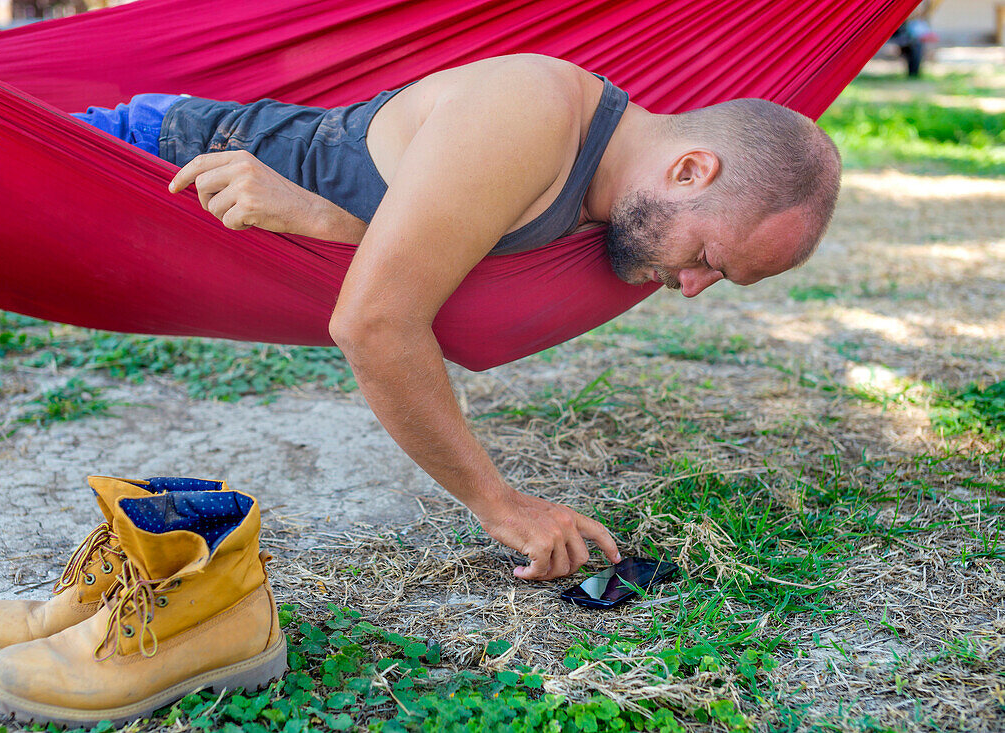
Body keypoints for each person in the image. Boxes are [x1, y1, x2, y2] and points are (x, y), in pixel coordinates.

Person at [73, 53, 842, 582]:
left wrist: (328, 225)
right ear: (689, 169)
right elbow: (374, 322)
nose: (691, 285)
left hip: (214, 214)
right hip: (154, 165)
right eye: (709, 254)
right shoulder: (530, 116)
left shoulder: (608, 200)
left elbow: (441, 256)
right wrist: (502, 505)